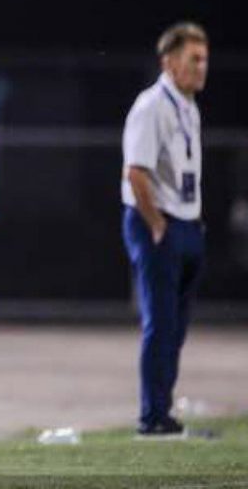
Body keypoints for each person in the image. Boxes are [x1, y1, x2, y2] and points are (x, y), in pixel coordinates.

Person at [121, 22, 208, 437]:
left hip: (186, 222)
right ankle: (151, 416)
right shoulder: (152, 105)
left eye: (204, 59)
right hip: (158, 222)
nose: (202, 67)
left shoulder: (189, 106)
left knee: (177, 326)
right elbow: (136, 172)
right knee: (160, 321)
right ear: (169, 63)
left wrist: (193, 222)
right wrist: (156, 223)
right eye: (194, 59)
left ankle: (163, 410)